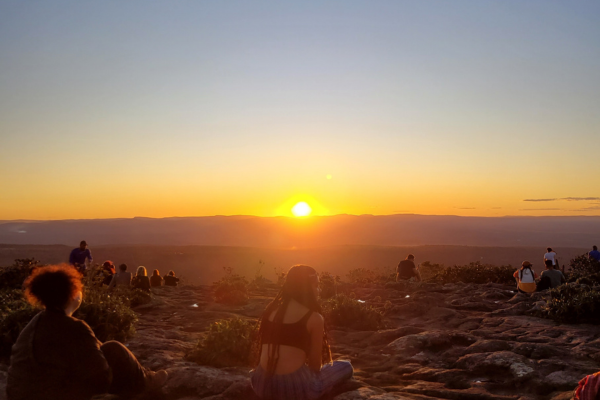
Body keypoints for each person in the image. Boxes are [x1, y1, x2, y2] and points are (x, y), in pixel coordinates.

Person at [6, 265, 167, 400]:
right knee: (114, 349)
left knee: (105, 348)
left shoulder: (34, 324)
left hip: (23, 395)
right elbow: (100, 377)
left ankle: (146, 374)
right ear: (72, 294)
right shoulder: (74, 327)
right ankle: (148, 382)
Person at [251, 265, 353, 400]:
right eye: (316, 285)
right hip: (297, 391)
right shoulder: (314, 318)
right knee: (346, 366)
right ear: (306, 288)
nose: (319, 289)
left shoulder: (271, 310)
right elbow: (315, 366)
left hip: (261, 385)